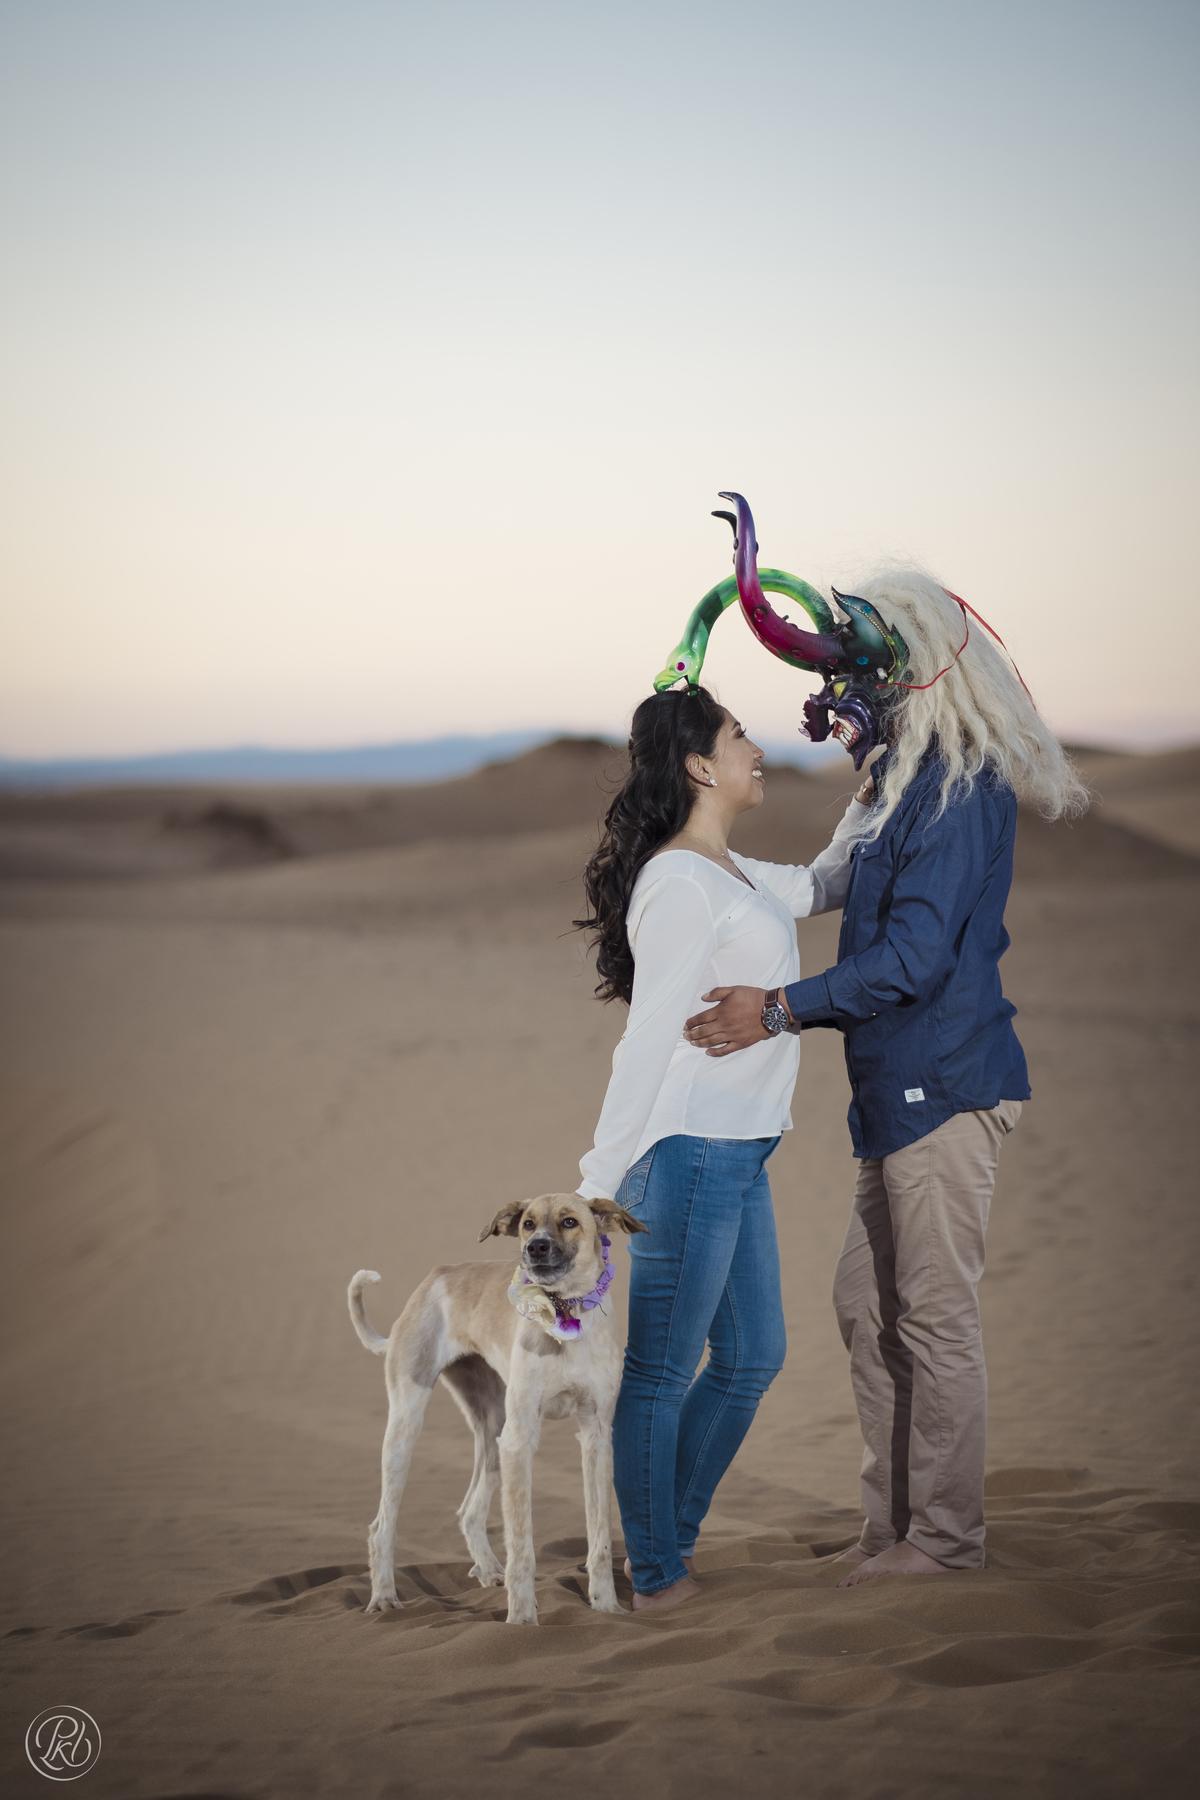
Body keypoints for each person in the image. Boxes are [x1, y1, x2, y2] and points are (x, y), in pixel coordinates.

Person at [683, 568, 1088, 1586]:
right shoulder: (894, 783)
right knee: (868, 1309)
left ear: (912, 668)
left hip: (946, 1088)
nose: (838, 694)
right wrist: (701, 859)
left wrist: (777, 1009)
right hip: (893, 1096)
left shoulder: (957, 789)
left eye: (857, 665)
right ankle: (891, 1531)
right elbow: (823, 882)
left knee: (935, 1318)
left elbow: (911, 959)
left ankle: (943, 1542)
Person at [574, 686, 871, 1611]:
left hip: (739, 1152)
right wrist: (594, 1184)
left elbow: (825, 883)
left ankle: (663, 1543)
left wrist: (874, 788)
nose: (757, 749)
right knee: (662, 1371)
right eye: (739, 736)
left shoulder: (730, 871)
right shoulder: (677, 883)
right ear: (700, 765)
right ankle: (658, 1574)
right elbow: (646, 1038)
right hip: (690, 1149)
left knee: (750, 1358)